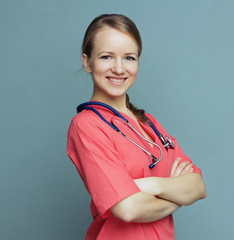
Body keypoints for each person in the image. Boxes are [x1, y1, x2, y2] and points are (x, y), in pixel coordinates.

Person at [67, 14, 206, 240]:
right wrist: (176, 195)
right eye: (106, 57)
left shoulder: (149, 123)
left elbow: (198, 187)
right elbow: (128, 209)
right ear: (87, 62)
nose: (119, 69)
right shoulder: (86, 126)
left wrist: (150, 185)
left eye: (129, 58)